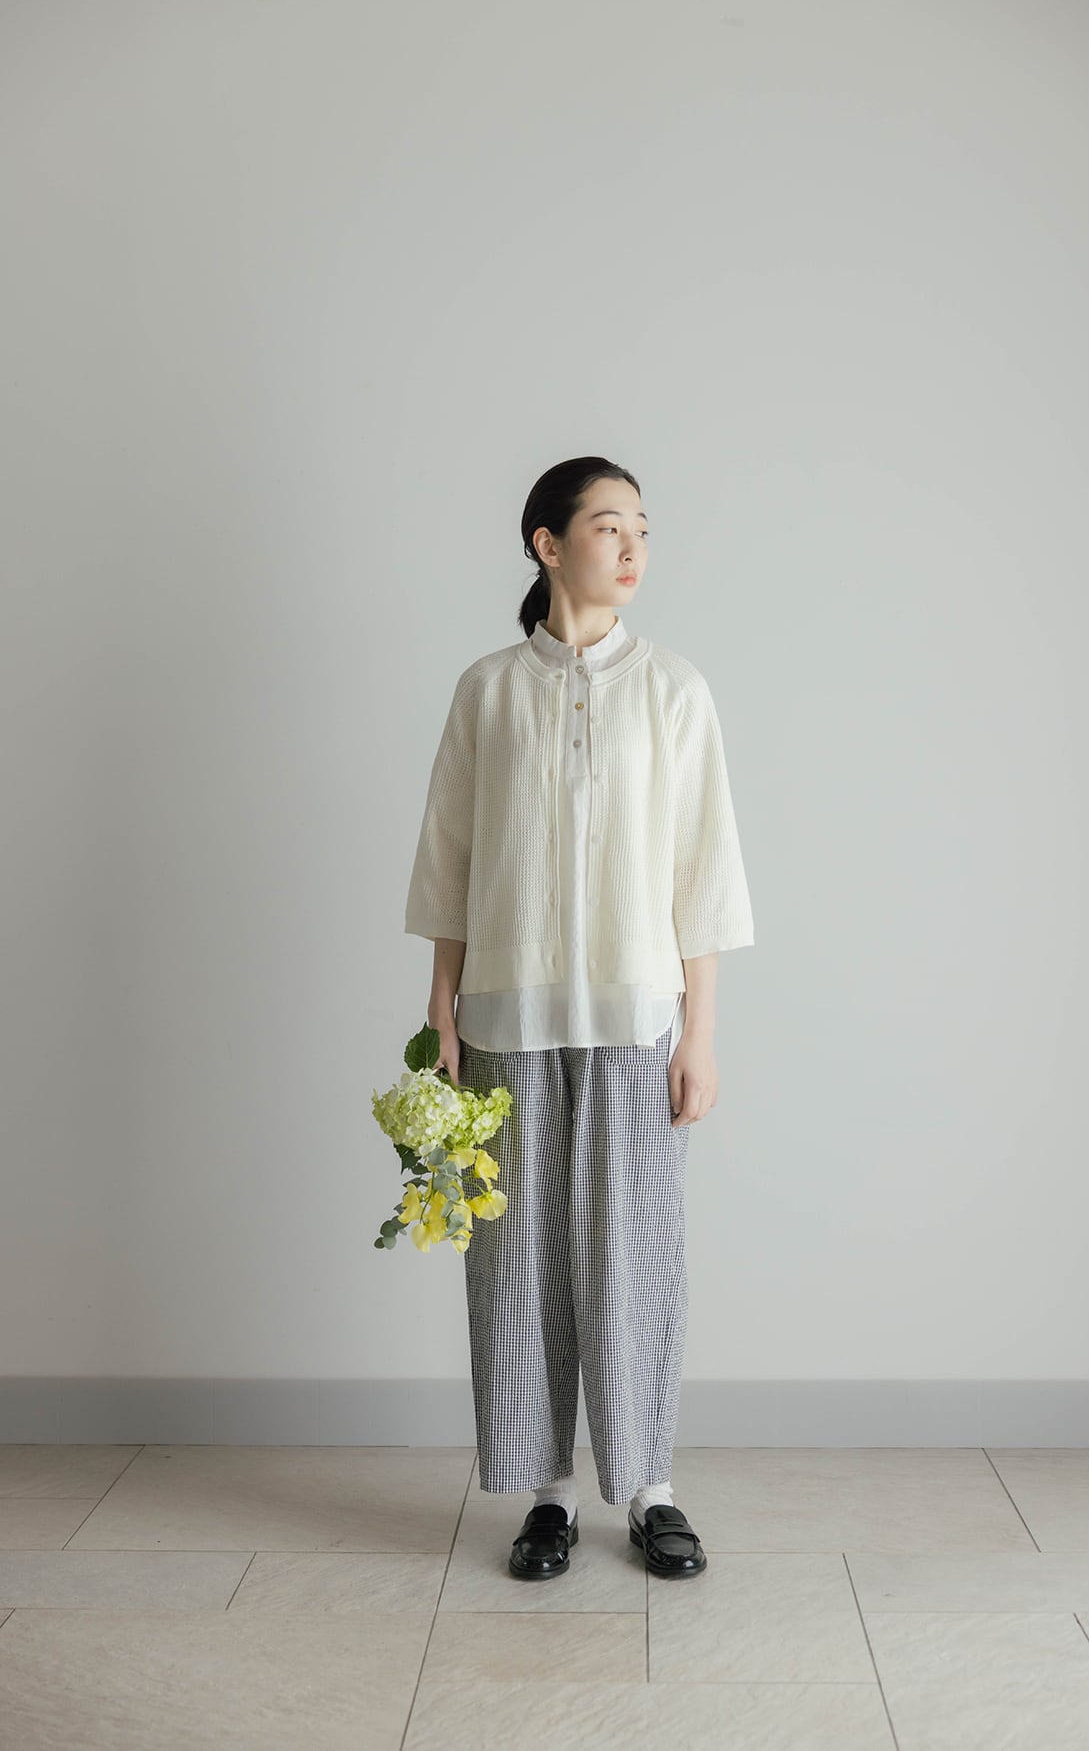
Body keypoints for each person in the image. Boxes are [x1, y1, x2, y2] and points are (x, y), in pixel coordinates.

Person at [404, 455, 754, 1580]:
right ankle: (545, 1491)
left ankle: (651, 1487)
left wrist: (699, 1034)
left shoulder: (674, 689)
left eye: (641, 526)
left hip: (636, 1018)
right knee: (517, 1258)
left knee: (635, 1257)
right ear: (547, 544)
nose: (632, 545)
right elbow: (450, 858)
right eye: (608, 526)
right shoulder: (487, 690)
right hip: (505, 1018)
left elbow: (703, 872)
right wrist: (442, 1007)